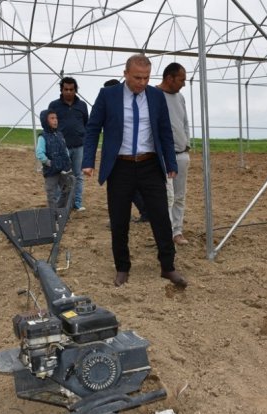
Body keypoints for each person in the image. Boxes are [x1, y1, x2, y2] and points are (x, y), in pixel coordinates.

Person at [83, 54, 187, 288]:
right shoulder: (108, 95)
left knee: (160, 216)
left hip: (150, 165)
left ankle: (168, 266)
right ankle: (122, 267)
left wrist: (170, 163)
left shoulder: (156, 96)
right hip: (120, 166)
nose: (142, 82)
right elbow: (92, 129)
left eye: (146, 78)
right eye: (137, 77)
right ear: (126, 74)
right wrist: (88, 161)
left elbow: (165, 132)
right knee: (119, 219)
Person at [104, 78, 149, 223]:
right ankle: (143, 211)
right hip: (121, 156)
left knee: (121, 190)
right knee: (130, 188)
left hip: (121, 157)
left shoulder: (121, 107)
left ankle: (124, 217)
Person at [156, 63, 191, 245]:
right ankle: (166, 233)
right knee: (167, 196)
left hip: (181, 154)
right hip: (161, 156)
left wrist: (187, 143)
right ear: (169, 78)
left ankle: (177, 232)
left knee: (179, 195)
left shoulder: (180, 98)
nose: (183, 83)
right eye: (181, 79)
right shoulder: (154, 95)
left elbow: (185, 122)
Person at [48, 77, 88, 211]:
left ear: (75, 90)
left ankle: (77, 203)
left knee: (78, 175)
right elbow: (50, 124)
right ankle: (62, 205)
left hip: (79, 145)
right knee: (61, 176)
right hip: (60, 147)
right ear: (61, 89)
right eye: (66, 89)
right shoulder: (54, 105)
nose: (69, 92)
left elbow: (86, 123)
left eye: (71, 89)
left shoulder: (82, 105)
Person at [36, 109, 72, 209]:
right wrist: (49, 163)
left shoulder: (59, 134)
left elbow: (65, 149)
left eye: (56, 118)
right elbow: (39, 153)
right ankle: (53, 214)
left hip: (63, 170)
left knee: (67, 189)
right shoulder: (42, 137)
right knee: (51, 193)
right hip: (51, 171)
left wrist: (67, 161)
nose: (55, 120)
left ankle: (60, 210)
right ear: (45, 121)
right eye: (52, 118)